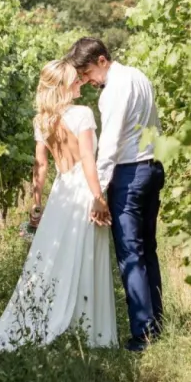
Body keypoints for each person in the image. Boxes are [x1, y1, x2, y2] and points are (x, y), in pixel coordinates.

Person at [0, 60, 117, 351]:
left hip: (61, 191)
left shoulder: (42, 120)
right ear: (62, 86)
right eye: (74, 80)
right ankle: (90, 331)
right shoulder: (82, 114)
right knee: (86, 254)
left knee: (55, 257)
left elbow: (40, 165)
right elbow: (89, 161)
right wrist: (98, 196)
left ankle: (54, 320)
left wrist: (37, 203)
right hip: (82, 187)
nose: (80, 83)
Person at [66, 37, 164, 352]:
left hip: (129, 175)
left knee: (130, 255)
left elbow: (109, 144)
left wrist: (100, 192)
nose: (87, 80)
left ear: (102, 60)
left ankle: (143, 334)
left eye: (87, 73)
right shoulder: (140, 77)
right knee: (148, 249)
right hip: (152, 168)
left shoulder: (113, 92)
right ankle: (156, 324)